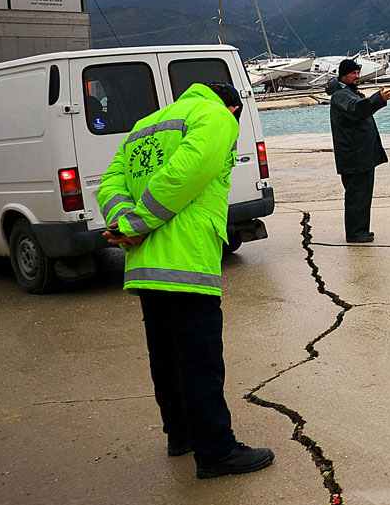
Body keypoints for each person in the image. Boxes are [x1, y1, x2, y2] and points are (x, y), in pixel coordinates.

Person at [97, 82, 274, 480]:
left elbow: (109, 183)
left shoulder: (145, 126)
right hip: (186, 260)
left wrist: (124, 222)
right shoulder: (216, 116)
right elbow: (185, 173)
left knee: (166, 356)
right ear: (233, 108)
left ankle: (180, 435)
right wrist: (137, 224)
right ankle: (216, 451)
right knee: (200, 360)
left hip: (146, 264)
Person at [325, 59, 390, 243]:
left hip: (361, 155)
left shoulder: (349, 92)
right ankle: (355, 233)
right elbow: (357, 109)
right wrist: (378, 99)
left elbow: (360, 107)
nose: (357, 76)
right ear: (343, 76)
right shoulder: (341, 96)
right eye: (353, 73)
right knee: (357, 195)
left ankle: (361, 230)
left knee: (362, 195)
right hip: (354, 156)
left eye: (358, 73)